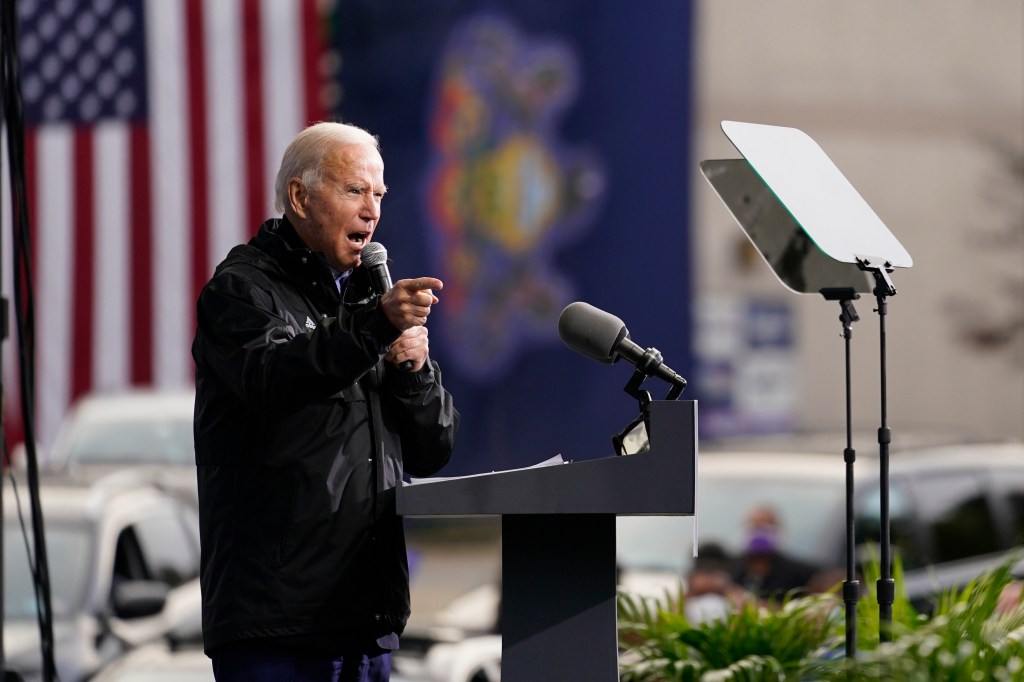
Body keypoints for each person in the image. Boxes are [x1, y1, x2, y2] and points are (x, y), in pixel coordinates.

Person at [192, 121, 459, 682]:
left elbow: (433, 450)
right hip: (276, 627)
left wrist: (412, 372)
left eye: (379, 195)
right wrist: (374, 327)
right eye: (355, 191)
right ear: (300, 196)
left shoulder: (369, 300)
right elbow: (276, 377)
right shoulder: (241, 291)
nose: (372, 211)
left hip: (365, 619)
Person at [731, 504, 819, 603]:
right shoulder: (729, 568)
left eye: (766, 527)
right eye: (755, 527)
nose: (760, 533)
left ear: (778, 530)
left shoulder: (801, 574)